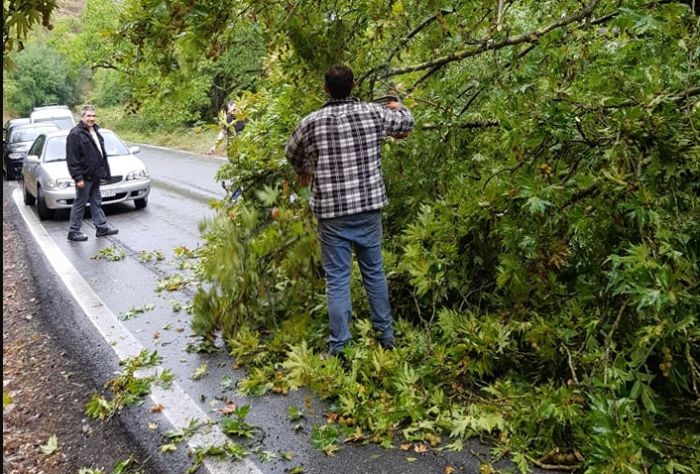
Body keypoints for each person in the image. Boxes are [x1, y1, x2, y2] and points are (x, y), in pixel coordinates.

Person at [285, 64, 414, 355]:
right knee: (374, 272)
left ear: (325, 89)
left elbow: (291, 151)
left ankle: (340, 348)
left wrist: (305, 169)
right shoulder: (373, 112)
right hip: (368, 209)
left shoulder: (312, 122)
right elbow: (406, 124)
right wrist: (399, 105)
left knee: (338, 279)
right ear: (354, 84)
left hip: (331, 215)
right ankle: (386, 339)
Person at [66, 105, 118, 242]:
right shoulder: (75, 134)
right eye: (88, 116)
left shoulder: (95, 131)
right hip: (84, 176)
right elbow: (72, 158)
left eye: (93, 116)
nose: (92, 118)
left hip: (95, 175)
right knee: (80, 203)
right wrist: (77, 177)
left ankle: (101, 228)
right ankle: (73, 231)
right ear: (82, 117)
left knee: (96, 201)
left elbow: (100, 153)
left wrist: (104, 172)